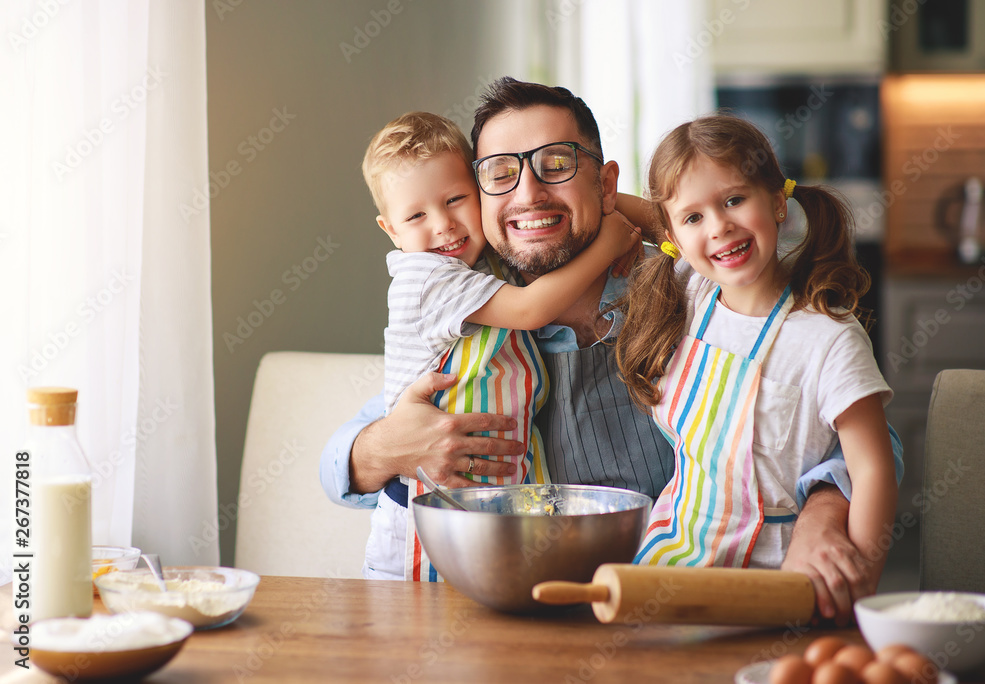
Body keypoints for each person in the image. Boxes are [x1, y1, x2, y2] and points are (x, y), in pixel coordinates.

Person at [321, 77, 901, 621]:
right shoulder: (467, 308)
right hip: (519, 612)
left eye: (556, 164)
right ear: (478, 195)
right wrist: (383, 452)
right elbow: (341, 464)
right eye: (500, 174)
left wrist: (823, 510)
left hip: (665, 600)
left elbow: (860, 430)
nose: (528, 193)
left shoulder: (695, 290)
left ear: (606, 184)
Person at [614, 115, 897, 581]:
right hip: (669, 563)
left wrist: (860, 581)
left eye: (734, 199)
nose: (720, 226)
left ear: (778, 202)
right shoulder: (690, 293)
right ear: (672, 239)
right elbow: (622, 210)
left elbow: (872, 471)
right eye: (694, 217)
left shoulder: (829, 339)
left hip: (774, 579)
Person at [360, 111, 638, 580]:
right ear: (390, 230)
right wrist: (610, 242)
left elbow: (554, 203)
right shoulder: (427, 277)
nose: (444, 225)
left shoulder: (482, 264)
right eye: (417, 216)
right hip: (425, 514)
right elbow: (532, 310)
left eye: (455, 200)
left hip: (494, 505)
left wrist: (607, 201)